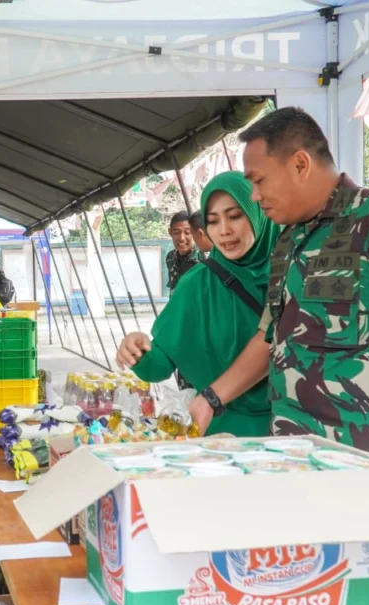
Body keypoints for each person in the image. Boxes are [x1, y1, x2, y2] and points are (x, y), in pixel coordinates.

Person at [188, 106, 369, 483]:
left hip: (366, 458)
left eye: (259, 180)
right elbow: (270, 338)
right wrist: (211, 398)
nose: (255, 195)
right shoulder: (288, 240)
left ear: (300, 164)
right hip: (289, 457)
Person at [118, 172, 277, 437]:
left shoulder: (294, 275)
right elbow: (157, 366)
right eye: (213, 221)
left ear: (259, 213)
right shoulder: (198, 284)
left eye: (235, 216)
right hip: (222, 437)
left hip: (294, 433)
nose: (224, 230)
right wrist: (137, 348)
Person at [165, 210, 201, 293]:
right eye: (176, 232)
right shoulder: (170, 257)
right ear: (170, 232)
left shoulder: (204, 258)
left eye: (187, 232)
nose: (181, 238)